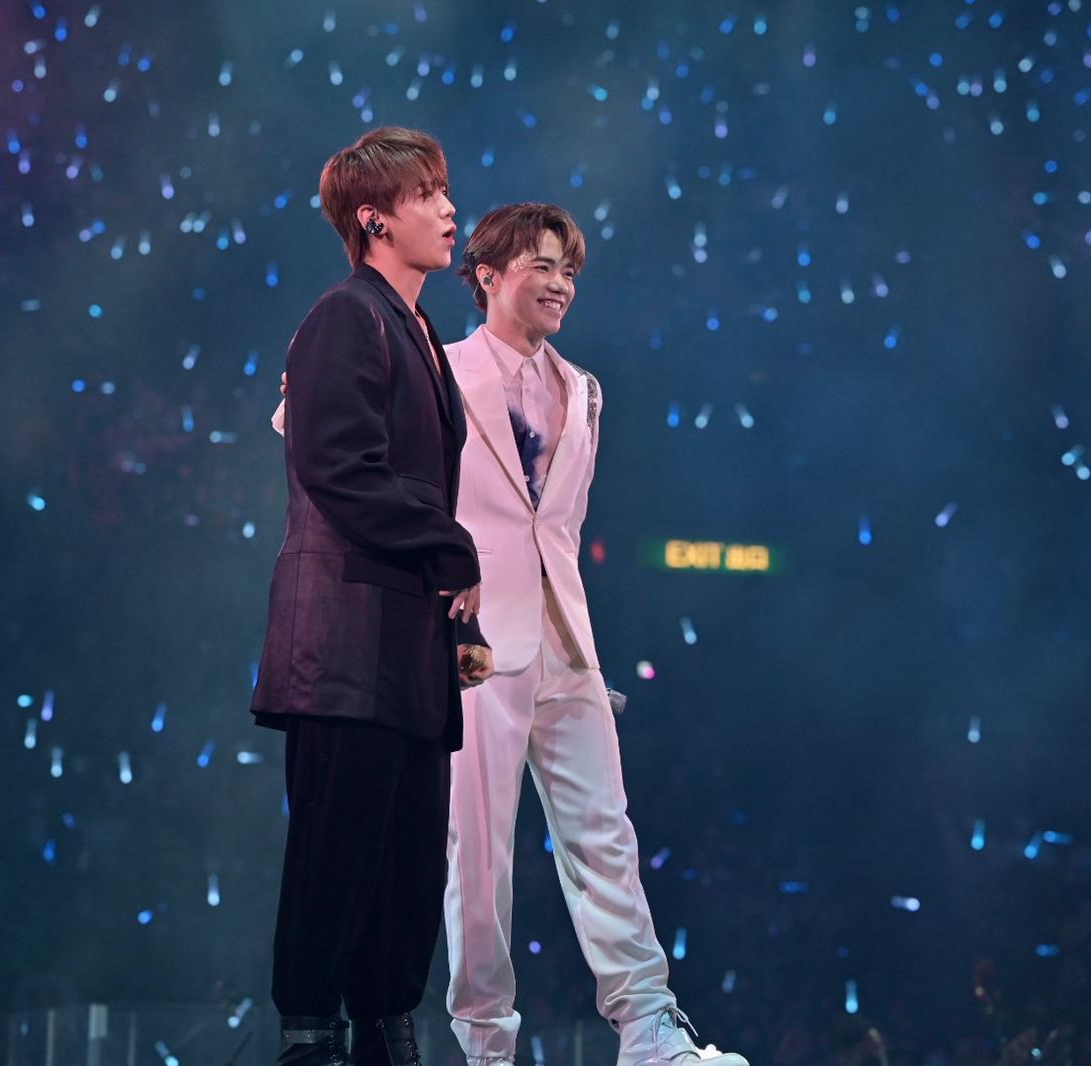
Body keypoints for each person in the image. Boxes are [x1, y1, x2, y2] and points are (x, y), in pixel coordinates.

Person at [278, 203, 747, 1066]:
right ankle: (486, 1045)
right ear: (488, 275)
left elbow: (557, 529)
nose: (561, 284)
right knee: (478, 856)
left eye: (569, 270)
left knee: (606, 835)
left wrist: (576, 642)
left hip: (567, 640)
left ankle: (650, 1029)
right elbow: (312, 427)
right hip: (471, 641)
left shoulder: (586, 391)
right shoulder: (437, 367)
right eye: (542, 265)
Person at [250, 126, 493, 1066]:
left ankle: (387, 1037)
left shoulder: (419, 331)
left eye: (444, 189)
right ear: (373, 218)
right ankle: (311, 1040)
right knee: (337, 857)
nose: (448, 208)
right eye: (426, 193)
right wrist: (451, 548)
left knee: (406, 870)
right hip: (346, 648)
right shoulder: (345, 317)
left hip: (407, 650)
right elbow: (337, 466)